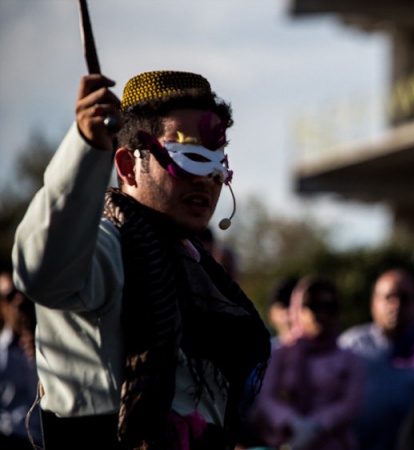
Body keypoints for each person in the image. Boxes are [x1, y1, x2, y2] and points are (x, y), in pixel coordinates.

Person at [11, 71, 271, 449]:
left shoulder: (200, 271)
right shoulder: (100, 250)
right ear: (128, 165)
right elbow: (42, 271)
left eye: (217, 163)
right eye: (190, 157)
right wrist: (85, 147)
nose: (207, 180)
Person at [244, 274, 365, 450]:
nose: (321, 314)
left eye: (330, 307)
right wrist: (292, 421)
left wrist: (317, 425)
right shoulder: (280, 354)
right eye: (314, 306)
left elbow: (350, 403)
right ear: (297, 308)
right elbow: (266, 398)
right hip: (286, 442)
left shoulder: (350, 359)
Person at [337, 267, 414, 450]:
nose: (396, 305)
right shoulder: (351, 346)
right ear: (373, 303)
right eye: (389, 297)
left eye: (404, 297)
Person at [0, 272, 42, 449]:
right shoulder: (1, 354)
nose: (19, 300)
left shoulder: (53, 348)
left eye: (22, 292)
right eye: (10, 296)